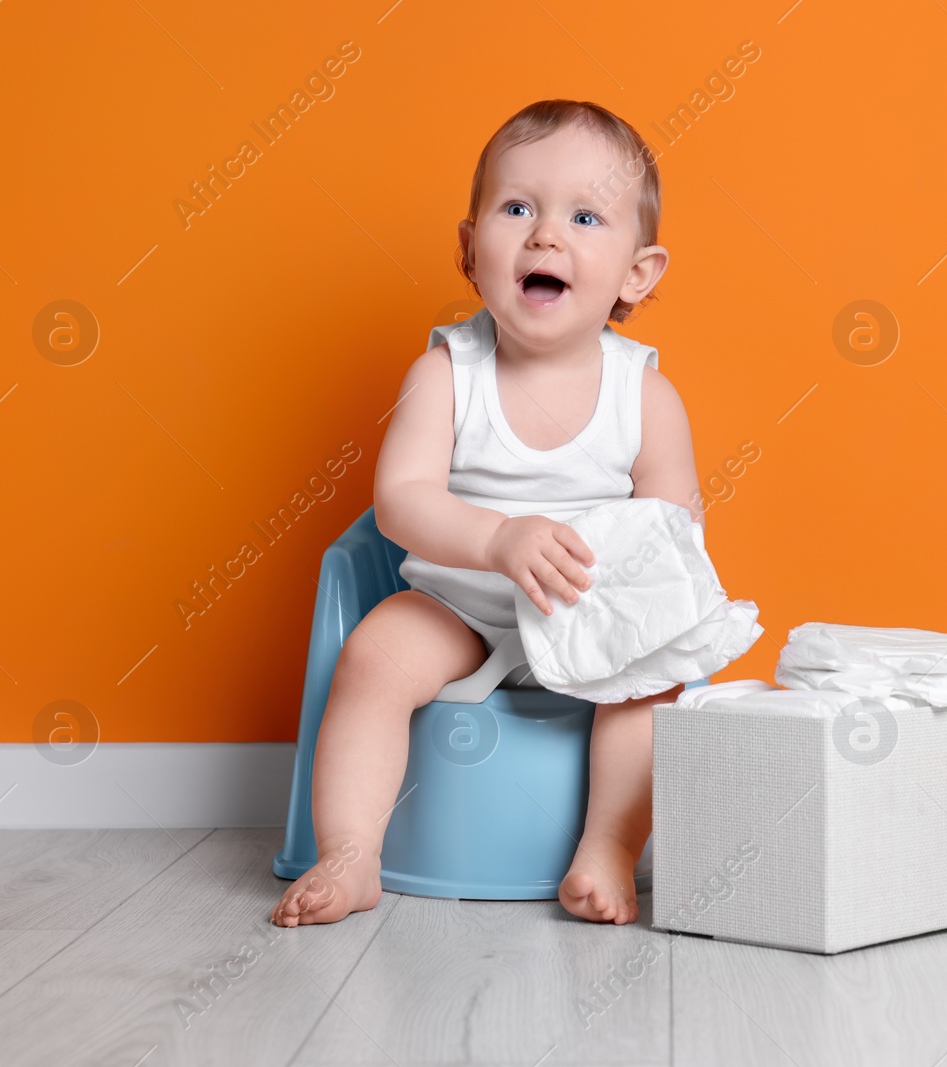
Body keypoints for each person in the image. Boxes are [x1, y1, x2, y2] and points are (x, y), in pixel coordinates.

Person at [272, 99, 700, 928]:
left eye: (584, 215)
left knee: (653, 683)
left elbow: (672, 528)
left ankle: (607, 845)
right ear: (470, 250)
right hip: (458, 605)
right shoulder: (446, 372)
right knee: (373, 656)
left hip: (588, 614)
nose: (546, 236)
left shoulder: (646, 395)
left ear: (637, 274)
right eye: (517, 209)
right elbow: (400, 502)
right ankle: (353, 850)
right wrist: (497, 539)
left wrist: (619, 595)